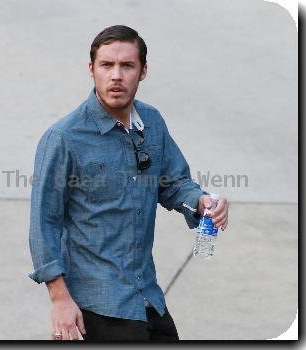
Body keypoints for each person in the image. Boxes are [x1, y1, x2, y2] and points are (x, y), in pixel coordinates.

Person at [28, 25, 229, 341]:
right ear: (91, 69)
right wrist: (59, 300)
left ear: (143, 71)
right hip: (97, 307)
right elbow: (44, 224)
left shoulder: (152, 122)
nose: (116, 75)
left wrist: (202, 202)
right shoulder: (63, 139)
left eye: (127, 65)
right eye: (106, 65)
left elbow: (174, 182)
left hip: (146, 297)